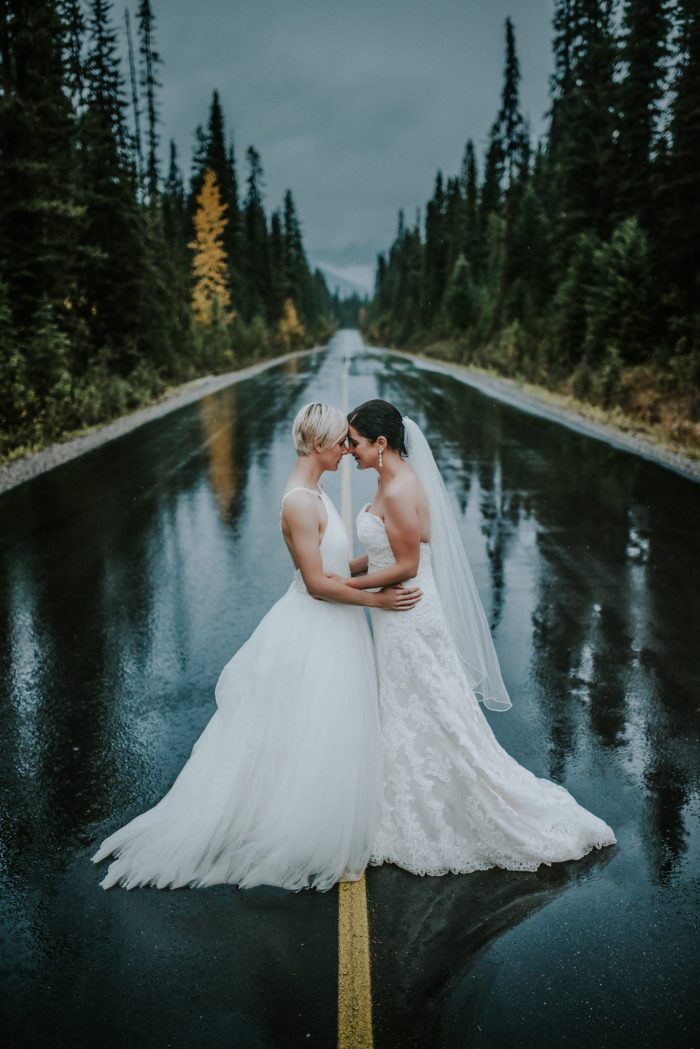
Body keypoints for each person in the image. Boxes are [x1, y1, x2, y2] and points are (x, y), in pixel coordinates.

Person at [92, 402, 422, 892]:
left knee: (324, 728)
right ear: (316, 445)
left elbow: (333, 568)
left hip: (335, 623)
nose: (345, 451)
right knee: (307, 726)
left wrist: (369, 567)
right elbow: (315, 584)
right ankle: (299, 828)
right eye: (340, 443)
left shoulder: (314, 493)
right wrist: (379, 600)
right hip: (315, 624)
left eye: (350, 443)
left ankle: (322, 810)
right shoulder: (299, 502)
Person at [343, 398, 617, 877]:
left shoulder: (402, 487)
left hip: (408, 613)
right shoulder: (388, 480)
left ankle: (453, 808)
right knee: (409, 710)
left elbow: (406, 566)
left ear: (381, 444)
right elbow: (385, 550)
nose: (350, 451)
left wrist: (343, 588)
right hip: (394, 611)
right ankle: (403, 800)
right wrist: (342, 570)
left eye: (356, 443)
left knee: (433, 711)